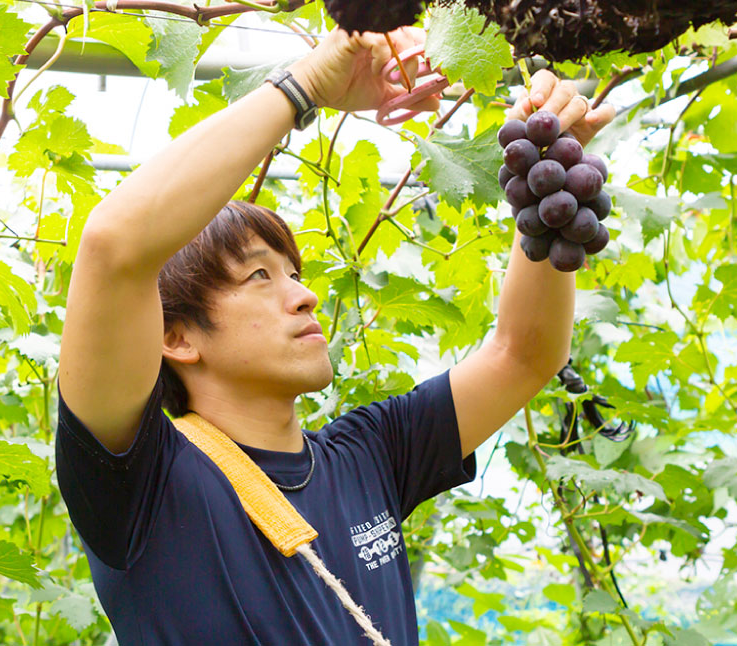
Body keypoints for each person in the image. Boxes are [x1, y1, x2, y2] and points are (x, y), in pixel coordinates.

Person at [55, 25, 615, 646]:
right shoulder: (141, 480)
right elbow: (113, 246)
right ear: (178, 338)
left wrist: (542, 180)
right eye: (259, 277)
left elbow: (524, 353)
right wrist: (306, 86)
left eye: (294, 272)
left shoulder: (368, 453)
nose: (304, 293)